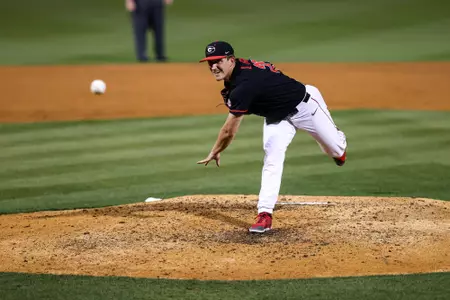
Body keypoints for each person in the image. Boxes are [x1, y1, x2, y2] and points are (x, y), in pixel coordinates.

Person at [197, 41, 347, 234]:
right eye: (209, 63)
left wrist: (216, 150)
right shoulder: (238, 73)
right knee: (272, 158)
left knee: (336, 151)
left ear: (231, 60)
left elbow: (229, 131)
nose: (213, 67)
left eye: (217, 61)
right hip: (277, 116)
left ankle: (338, 139)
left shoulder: (244, 85)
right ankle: (264, 214)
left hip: (306, 107)